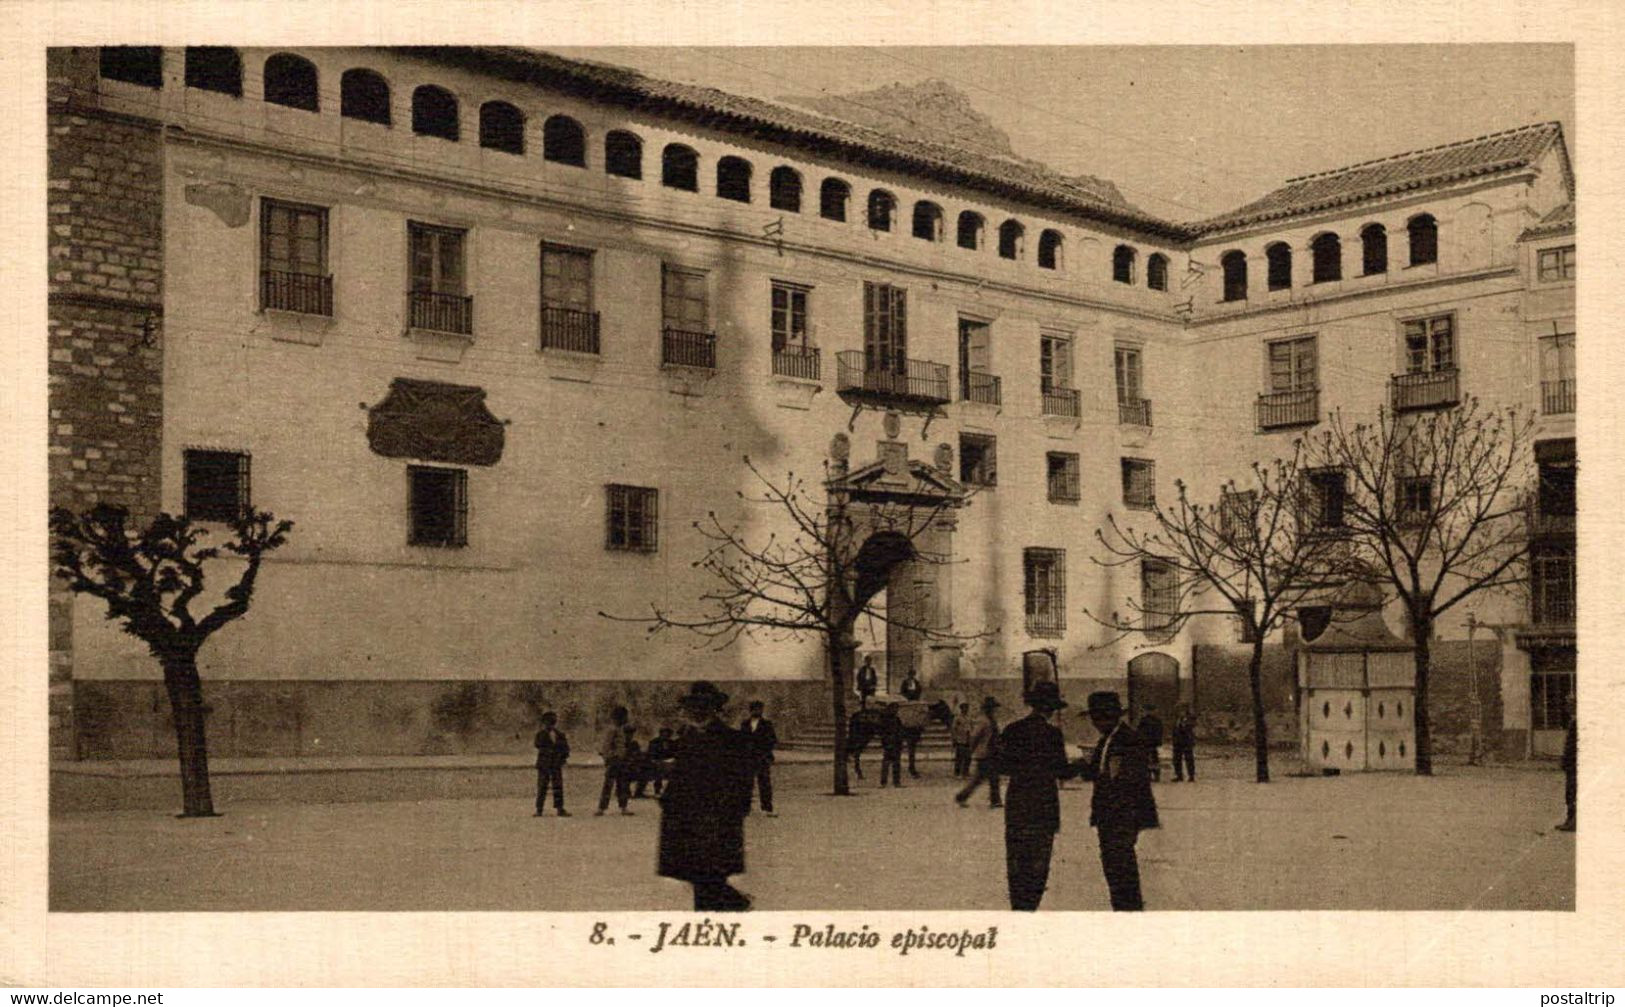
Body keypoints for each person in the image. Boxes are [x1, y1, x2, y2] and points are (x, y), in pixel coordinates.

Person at [658, 681, 755, 911]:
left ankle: (735, 905)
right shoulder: (687, 737)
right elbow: (681, 776)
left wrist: (736, 809)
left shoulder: (731, 739)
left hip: (717, 821)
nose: (697, 712)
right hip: (689, 822)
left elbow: (743, 777)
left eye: (703, 707)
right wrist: (668, 800)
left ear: (714, 709)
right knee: (700, 878)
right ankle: (727, 908)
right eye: (693, 707)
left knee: (709, 877)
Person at [991, 680, 1079, 911]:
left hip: (1018, 802)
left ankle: (1018, 907)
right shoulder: (1052, 734)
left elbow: (1001, 766)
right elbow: (1062, 772)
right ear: (1051, 708)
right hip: (1043, 804)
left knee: (1017, 860)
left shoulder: (1013, 730)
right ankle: (1031, 906)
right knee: (1038, 863)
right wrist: (1081, 765)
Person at [1081, 691, 1159, 911]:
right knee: (1114, 867)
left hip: (1122, 816)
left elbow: (1131, 781)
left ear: (1110, 717)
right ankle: (1123, 908)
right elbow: (1093, 772)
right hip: (1110, 817)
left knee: (1121, 868)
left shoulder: (1129, 740)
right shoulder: (1107, 740)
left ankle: (1129, 912)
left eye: (1099, 718)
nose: (1096, 724)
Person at [954, 697, 1003, 808]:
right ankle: (962, 796)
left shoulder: (991, 720)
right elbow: (974, 736)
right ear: (988, 709)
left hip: (992, 752)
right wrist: (971, 750)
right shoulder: (983, 721)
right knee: (985, 778)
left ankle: (994, 800)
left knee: (989, 777)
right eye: (993, 708)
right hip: (985, 753)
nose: (995, 710)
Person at [740, 700, 778, 816]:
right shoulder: (745, 724)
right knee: (747, 783)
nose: (758, 711)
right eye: (755, 709)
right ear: (751, 711)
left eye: (760, 709)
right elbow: (741, 740)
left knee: (765, 783)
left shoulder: (767, 724)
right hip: (748, 758)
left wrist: (765, 750)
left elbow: (773, 740)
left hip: (762, 757)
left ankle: (767, 807)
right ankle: (745, 808)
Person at [596, 705, 634, 816]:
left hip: (621, 760)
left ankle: (623, 807)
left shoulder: (621, 729)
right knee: (609, 784)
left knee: (622, 784)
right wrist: (609, 758)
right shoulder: (612, 730)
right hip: (615, 760)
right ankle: (602, 808)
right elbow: (606, 746)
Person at [533, 711, 571, 817]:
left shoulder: (559, 734)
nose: (550, 724)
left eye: (552, 722)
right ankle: (539, 809)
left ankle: (559, 808)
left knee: (557, 786)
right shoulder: (540, 735)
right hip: (545, 765)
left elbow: (566, 749)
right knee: (542, 787)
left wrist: (562, 758)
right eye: (548, 722)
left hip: (555, 764)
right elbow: (538, 745)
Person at [898, 670, 924, 777]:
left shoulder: (917, 683)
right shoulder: (905, 683)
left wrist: (915, 697)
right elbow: (902, 691)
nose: (911, 676)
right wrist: (908, 698)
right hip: (907, 702)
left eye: (913, 675)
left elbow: (919, 691)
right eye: (910, 675)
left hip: (914, 702)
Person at [1556, 709, 1577, 832]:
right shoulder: (1573, 722)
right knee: (1569, 793)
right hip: (1570, 764)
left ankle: (1573, 822)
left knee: (1573, 792)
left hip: (1574, 764)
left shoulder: (1577, 722)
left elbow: (1572, 746)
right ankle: (1570, 820)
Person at [878, 703, 905, 787]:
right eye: (895, 708)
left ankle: (889, 782)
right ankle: (891, 782)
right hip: (891, 743)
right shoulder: (890, 720)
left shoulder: (894, 719)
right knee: (890, 763)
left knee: (892, 763)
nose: (896, 710)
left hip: (894, 743)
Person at [645, 726, 677, 798]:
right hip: (657, 761)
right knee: (659, 769)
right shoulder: (654, 742)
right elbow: (651, 753)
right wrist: (654, 760)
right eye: (664, 733)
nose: (665, 735)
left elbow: (674, 753)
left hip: (669, 761)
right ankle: (658, 788)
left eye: (667, 734)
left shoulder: (672, 743)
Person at [1138, 705, 1165, 782]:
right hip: (1148, 742)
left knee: (1152, 758)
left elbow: (1159, 732)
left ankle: (1153, 774)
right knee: (1151, 759)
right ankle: (1151, 774)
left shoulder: (1147, 721)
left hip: (1149, 742)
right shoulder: (1145, 720)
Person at [1171, 705, 1197, 782]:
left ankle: (1191, 775)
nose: (1181, 712)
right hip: (1178, 742)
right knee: (1176, 759)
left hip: (1186, 742)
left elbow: (1190, 728)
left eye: (1182, 710)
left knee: (1189, 759)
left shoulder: (1189, 719)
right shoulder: (1177, 719)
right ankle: (1179, 775)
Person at [950, 702, 974, 778]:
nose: (966, 710)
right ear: (961, 709)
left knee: (968, 757)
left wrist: (971, 737)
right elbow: (953, 728)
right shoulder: (957, 718)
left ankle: (966, 772)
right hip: (960, 739)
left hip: (968, 739)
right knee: (959, 757)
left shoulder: (969, 717)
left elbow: (971, 727)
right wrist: (954, 738)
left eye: (967, 708)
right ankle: (957, 772)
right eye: (964, 708)